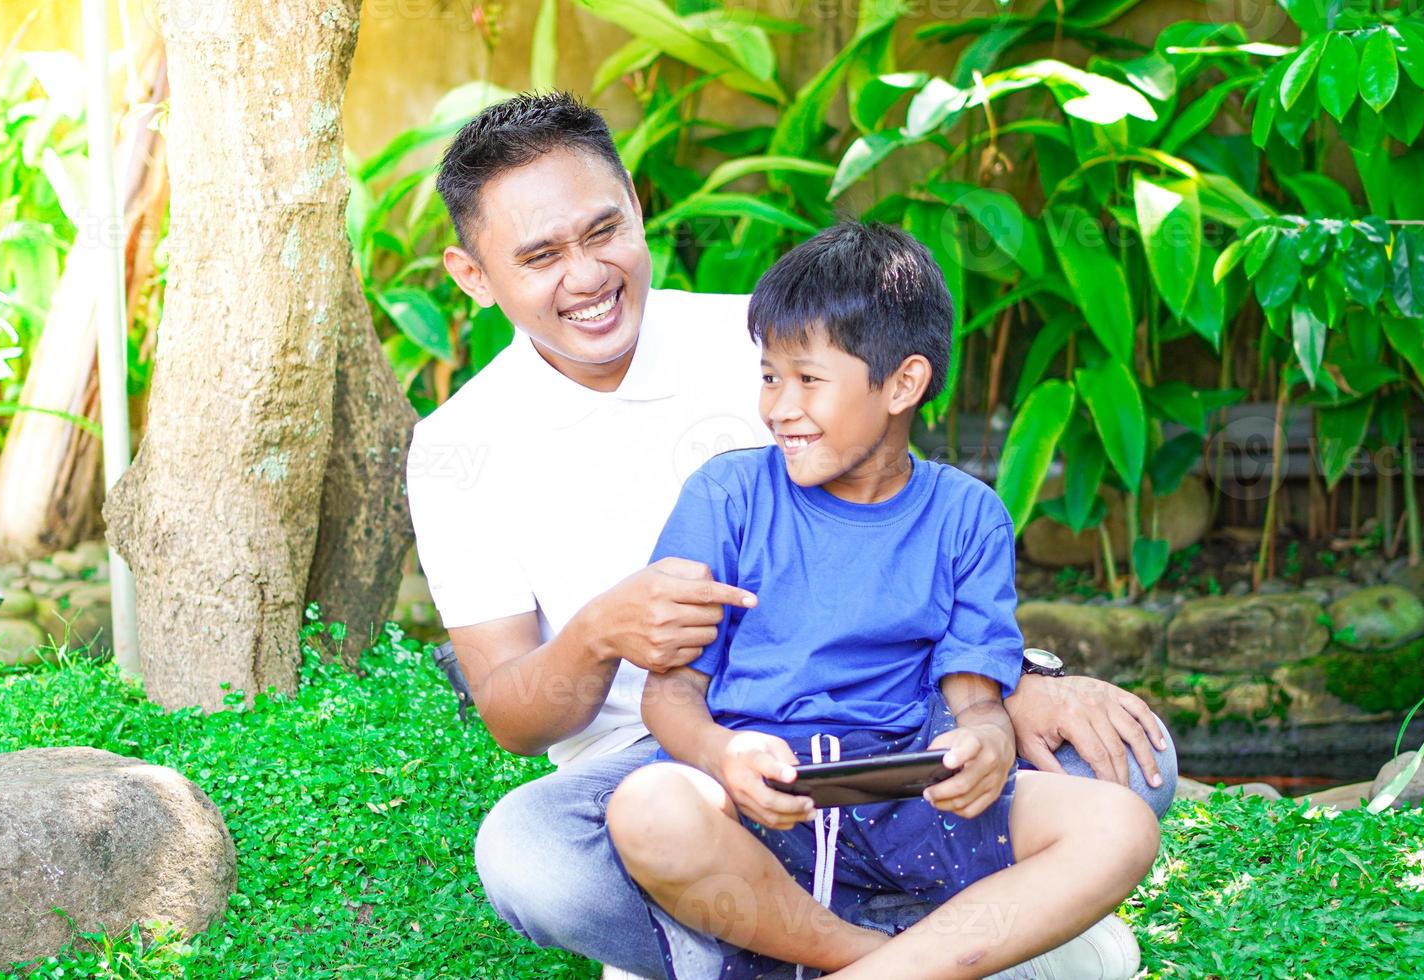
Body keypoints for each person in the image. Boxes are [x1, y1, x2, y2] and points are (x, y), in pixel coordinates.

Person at [406, 91, 1178, 979]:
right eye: (540, 255)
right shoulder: (459, 446)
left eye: (602, 231)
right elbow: (510, 715)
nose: (585, 277)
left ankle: (752, 944)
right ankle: (912, 952)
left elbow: (908, 529)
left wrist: (1008, 688)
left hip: (883, 718)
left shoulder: (765, 339)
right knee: (529, 856)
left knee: (1130, 770)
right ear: (473, 276)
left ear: (637, 206)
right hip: (675, 760)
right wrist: (595, 635)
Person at [608, 221, 1159, 980]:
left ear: (902, 383)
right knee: (648, 808)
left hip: (913, 803)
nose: (779, 408)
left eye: (808, 379)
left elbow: (976, 700)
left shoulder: (967, 515)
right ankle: (894, 961)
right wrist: (721, 753)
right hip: (767, 814)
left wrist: (990, 746)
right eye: (770, 376)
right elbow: (671, 698)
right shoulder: (725, 497)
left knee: (1120, 825)